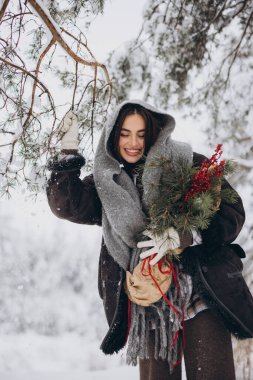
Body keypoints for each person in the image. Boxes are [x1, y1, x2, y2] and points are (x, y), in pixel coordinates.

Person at [47, 100, 253, 380]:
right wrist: (66, 153)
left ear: (154, 133)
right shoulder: (109, 184)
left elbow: (232, 213)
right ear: (113, 135)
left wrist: (183, 235)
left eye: (141, 134)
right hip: (147, 300)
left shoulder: (189, 163)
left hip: (202, 291)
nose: (133, 142)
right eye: (125, 134)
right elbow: (67, 205)